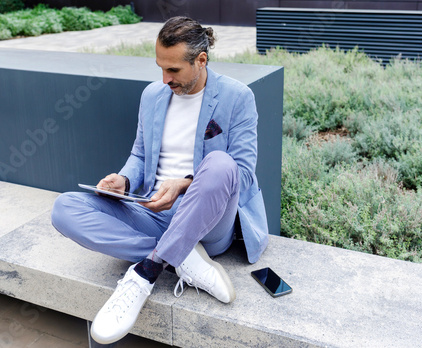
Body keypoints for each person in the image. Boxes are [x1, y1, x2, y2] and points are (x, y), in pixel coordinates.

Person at [51, 16, 269, 345]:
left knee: (221, 163)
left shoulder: (237, 97)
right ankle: (181, 257)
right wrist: (123, 180)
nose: (165, 78)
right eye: (160, 68)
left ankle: (146, 273)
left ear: (201, 60)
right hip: (153, 210)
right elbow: (140, 155)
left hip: (210, 221)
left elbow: (243, 174)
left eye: (174, 70)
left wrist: (184, 184)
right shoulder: (152, 95)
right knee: (64, 208)